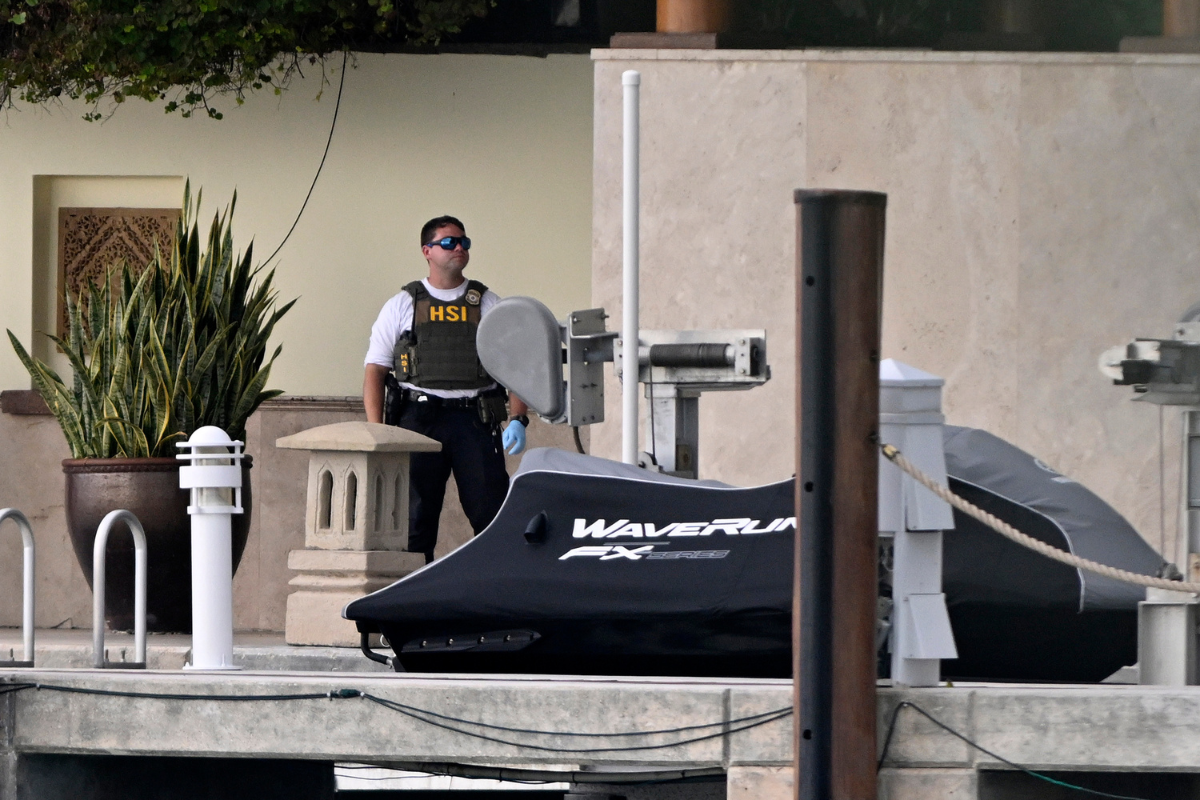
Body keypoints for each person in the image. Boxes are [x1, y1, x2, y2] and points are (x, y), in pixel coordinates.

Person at [363, 215, 529, 563]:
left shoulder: (486, 303)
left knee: (491, 516)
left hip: (474, 420)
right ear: (427, 250)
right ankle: (414, 609)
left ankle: (491, 602)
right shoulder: (403, 304)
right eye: (449, 242)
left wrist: (518, 419)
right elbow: (375, 370)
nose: (459, 249)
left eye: (464, 243)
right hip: (418, 420)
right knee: (413, 524)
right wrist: (376, 431)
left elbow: (515, 367)